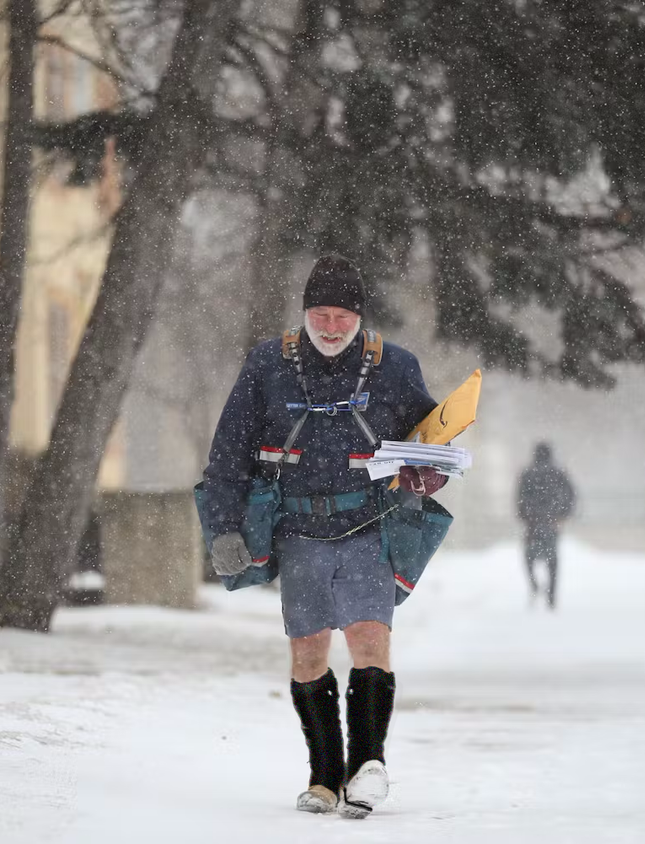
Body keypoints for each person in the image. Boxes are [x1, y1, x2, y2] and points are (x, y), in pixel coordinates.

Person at [199, 254, 445, 819]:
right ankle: (324, 778)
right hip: (299, 531)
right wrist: (222, 528)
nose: (331, 327)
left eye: (342, 316)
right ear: (306, 312)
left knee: (369, 638)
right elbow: (228, 455)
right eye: (321, 313)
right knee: (307, 651)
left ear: (359, 317)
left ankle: (367, 768)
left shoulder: (396, 367)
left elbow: (430, 438)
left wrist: (432, 469)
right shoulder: (267, 364)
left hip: (366, 527)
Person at [515, 441, 576, 609]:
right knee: (553, 560)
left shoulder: (527, 473)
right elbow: (571, 495)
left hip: (532, 524)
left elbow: (519, 498)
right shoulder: (559, 473)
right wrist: (562, 515)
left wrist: (525, 517)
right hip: (552, 523)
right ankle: (551, 596)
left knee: (529, 557)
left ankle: (534, 584)